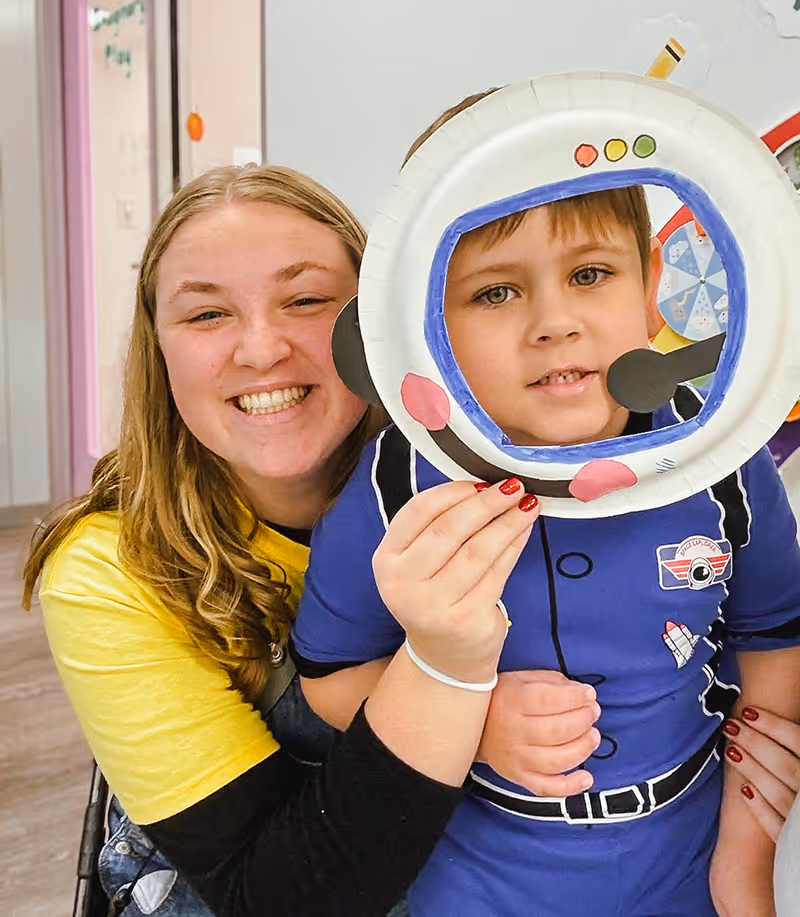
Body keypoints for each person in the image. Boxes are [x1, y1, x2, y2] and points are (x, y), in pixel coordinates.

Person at [291, 91, 800, 917]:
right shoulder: (396, 481)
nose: (554, 322)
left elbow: (776, 642)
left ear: (650, 288)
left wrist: (745, 859)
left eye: (590, 274)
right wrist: (475, 718)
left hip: (692, 861)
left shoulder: (724, 462)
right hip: (473, 881)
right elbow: (330, 674)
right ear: (425, 318)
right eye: (495, 293)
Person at [22, 163, 570, 917]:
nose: (261, 348)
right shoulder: (109, 572)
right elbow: (272, 902)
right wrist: (451, 680)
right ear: (159, 349)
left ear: (378, 319)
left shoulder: (483, 487)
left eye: (306, 299)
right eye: (207, 315)